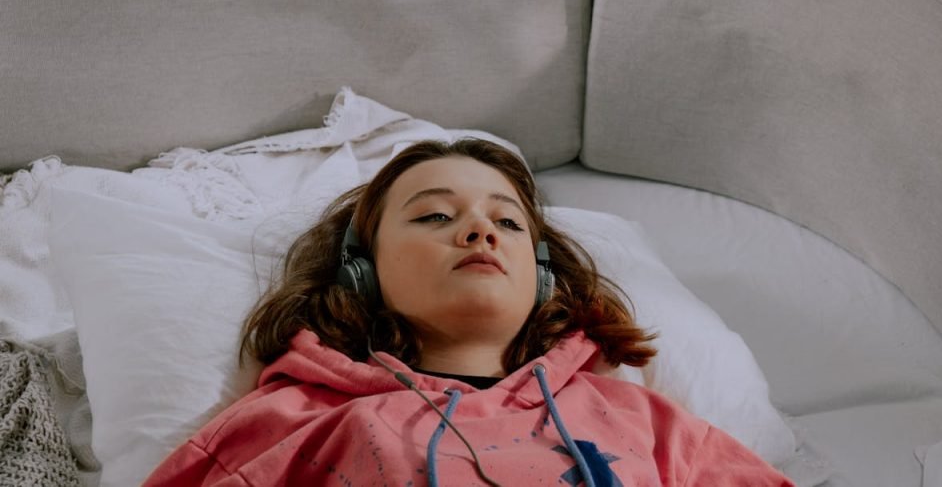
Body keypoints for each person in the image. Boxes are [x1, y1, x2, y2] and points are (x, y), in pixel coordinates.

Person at [143, 138, 793, 487]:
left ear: (542, 276)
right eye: (434, 215)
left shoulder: (646, 423)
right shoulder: (290, 425)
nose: (481, 231)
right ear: (361, 267)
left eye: (508, 222)